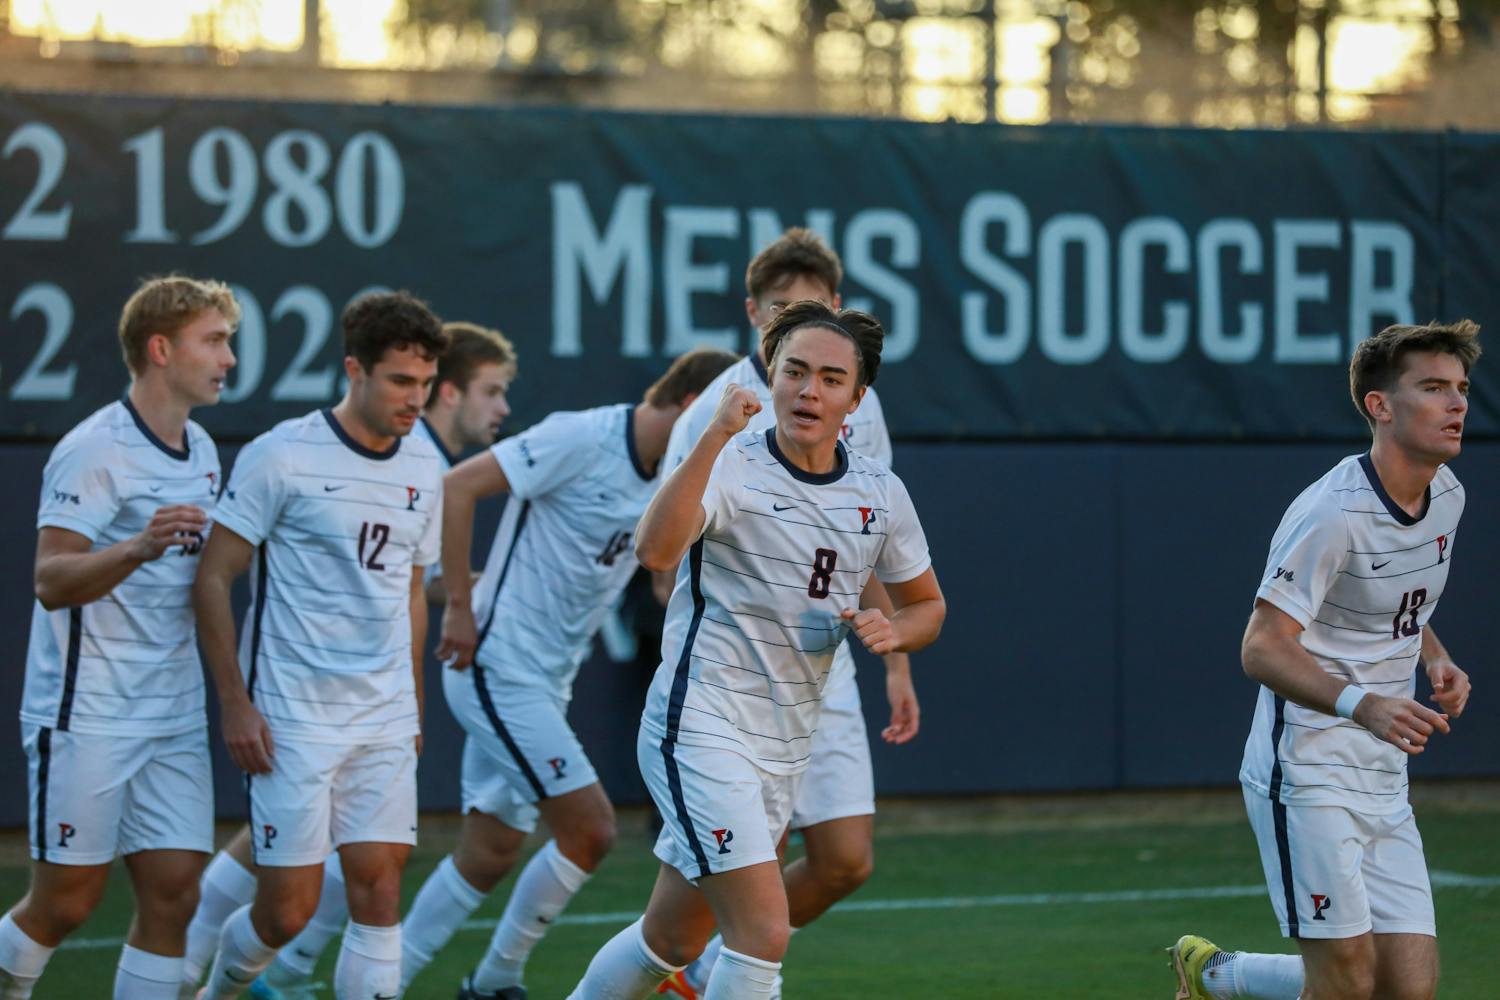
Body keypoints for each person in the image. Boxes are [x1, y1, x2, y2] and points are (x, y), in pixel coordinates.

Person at [569, 301, 946, 999]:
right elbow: (655, 552)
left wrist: (897, 634)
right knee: (762, 932)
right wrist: (711, 437)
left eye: (831, 379)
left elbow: (928, 605)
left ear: (857, 400)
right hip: (702, 725)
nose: (809, 391)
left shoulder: (878, 492)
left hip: (786, 744)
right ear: (769, 376)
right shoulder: (731, 462)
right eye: (794, 371)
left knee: (673, 937)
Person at [179, 321, 517, 999]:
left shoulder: (426, 466)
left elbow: (411, 595)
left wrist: (414, 703)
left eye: (424, 383)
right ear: (353, 370)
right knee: (287, 912)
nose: (414, 398)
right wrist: (236, 704)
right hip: (292, 718)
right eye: (399, 381)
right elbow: (213, 578)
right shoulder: (281, 455)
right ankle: (216, 989)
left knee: (379, 890)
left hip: (385, 718)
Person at [399, 349, 737, 999]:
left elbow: (664, 575)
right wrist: (462, 612)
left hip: (546, 682)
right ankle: (494, 979)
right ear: (695, 408)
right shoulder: (579, 436)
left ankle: (379, 980)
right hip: (496, 664)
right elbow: (457, 486)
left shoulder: (676, 476)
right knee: (591, 830)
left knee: (490, 849)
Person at [1170, 320, 1480, 1000]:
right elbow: (1261, 645)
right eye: (1433, 388)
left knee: (1407, 991)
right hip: (1306, 768)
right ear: (1380, 406)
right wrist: (1363, 703)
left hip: (1382, 774)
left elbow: (1398, 601)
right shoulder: (1331, 513)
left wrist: (1436, 657)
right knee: (1345, 984)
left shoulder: (1447, 497)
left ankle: (1219, 977)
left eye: (1461, 388)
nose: (1458, 404)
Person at [654, 229, 918, 997]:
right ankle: (713, 966)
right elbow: (663, 549)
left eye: (813, 313)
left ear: (838, 312)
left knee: (844, 862)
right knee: (748, 910)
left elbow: (868, 539)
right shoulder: (718, 414)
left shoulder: (857, 402)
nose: (811, 384)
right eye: (781, 318)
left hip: (821, 675)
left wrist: (896, 657)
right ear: (757, 324)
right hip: (732, 686)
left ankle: (698, 970)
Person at [0, 276, 238, 1000]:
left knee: (175, 895)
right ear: (161, 349)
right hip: (88, 710)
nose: (229, 358)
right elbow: (50, 579)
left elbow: (204, 582)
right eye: (216, 341)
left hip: (170, 712)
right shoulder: (93, 448)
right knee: (67, 903)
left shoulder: (202, 446)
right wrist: (137, 546)